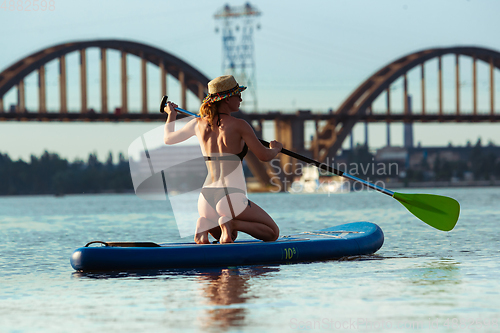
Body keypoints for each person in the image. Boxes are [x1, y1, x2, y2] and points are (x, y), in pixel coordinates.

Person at [163, 75, 282, 244]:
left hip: (205, 198)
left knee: (226, 237)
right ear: (226, 100)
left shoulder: (198, 124)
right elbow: (264, 156)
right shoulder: (240, 125)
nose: (240, 99)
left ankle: (203, 224)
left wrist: (171, 115)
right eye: (237, 95)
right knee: (272, 233)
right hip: (230, 195)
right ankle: (231, 223)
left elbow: (168, 138)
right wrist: (276, 149)